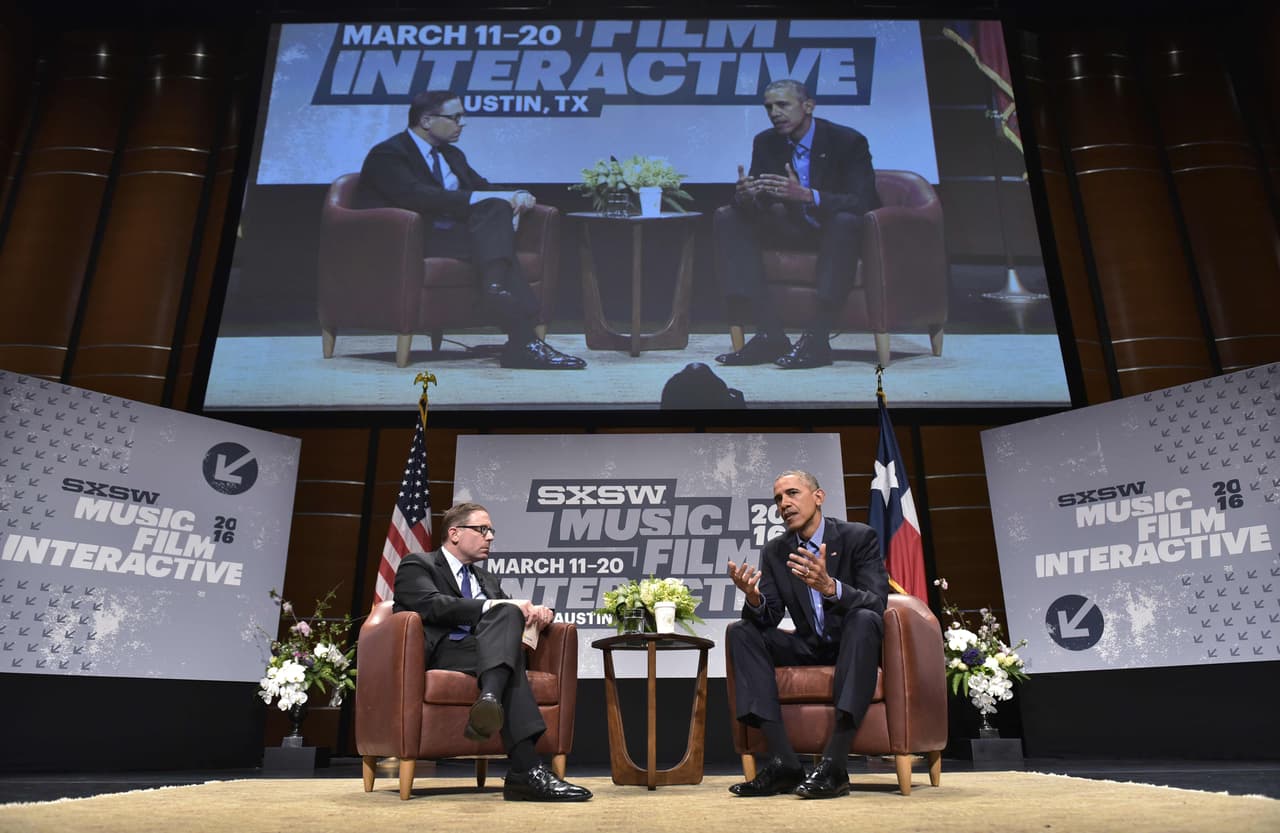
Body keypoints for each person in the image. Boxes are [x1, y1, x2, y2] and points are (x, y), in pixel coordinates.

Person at [355, 90, 586, 370]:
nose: (462, 123)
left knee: (495, 213)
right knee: (495, 226)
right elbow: (417, 196)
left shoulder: (452, 155)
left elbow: (482, 186)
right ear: (427, 120)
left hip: (454, 236)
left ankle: (497, 290)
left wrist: (517, 194)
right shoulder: (389, 154)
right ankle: (519, 333)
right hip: (410, 240)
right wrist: (488, 199)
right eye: (455, 117)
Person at [393, 501, 592, 802]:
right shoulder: (418, 564)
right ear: (455, 533)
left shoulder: (487, 579)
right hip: (445, 651)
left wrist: (540, 612)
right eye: (482, 530)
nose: (490, 537)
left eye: (491, 531)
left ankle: (490, 700)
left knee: (508, 625)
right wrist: (495, 606)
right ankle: (525, 770)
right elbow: (432, 605)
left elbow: (508, 618)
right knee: (507, 650)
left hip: (486, 652)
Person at [725, 471, 888, 798]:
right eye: (778, 499)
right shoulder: (776, 551)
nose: (784, 504)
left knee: (864, 619)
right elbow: (769, 616)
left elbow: (877, 601)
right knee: (743, 631)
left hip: (853, 644)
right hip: (810, 644)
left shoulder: (858, 537)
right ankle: (785, 763)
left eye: (792, 493)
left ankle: (835, 765)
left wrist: (831, 588)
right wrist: (754, 598)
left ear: (818, 497)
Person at [714, 79, 881, 369]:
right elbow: (762, 201)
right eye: (769, 107)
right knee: (730, 216)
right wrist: (746, 197)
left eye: (782, 105)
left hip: (836, 231)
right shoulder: (766, 141)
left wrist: (808, 196)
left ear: (808, 106)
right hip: (793, 228)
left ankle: (817, 339)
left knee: (844, 221)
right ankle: (769, 334)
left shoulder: (847, 141)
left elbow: (862, 201)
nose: (774, 113)